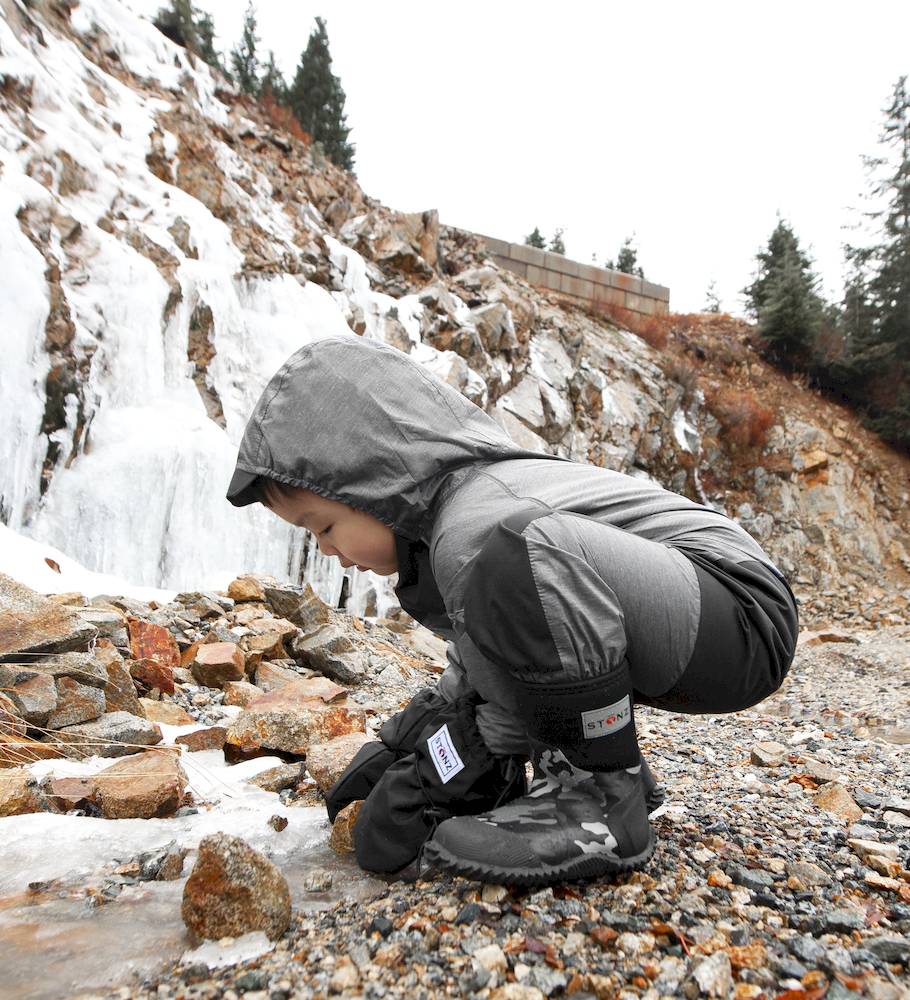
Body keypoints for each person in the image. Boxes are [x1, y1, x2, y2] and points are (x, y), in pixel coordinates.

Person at [226, 334, 799, 887]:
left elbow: (527, 621)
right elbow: (494, 653)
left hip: (740, 611)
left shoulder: (475, 521)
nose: (328, 551)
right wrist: (426, 736)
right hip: (696, 613)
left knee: (515, 554)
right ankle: (609, 770)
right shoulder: (448, 521)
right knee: (504, 576)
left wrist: (479, 746)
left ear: (374, 483)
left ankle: (598, 797)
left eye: (324, 527)